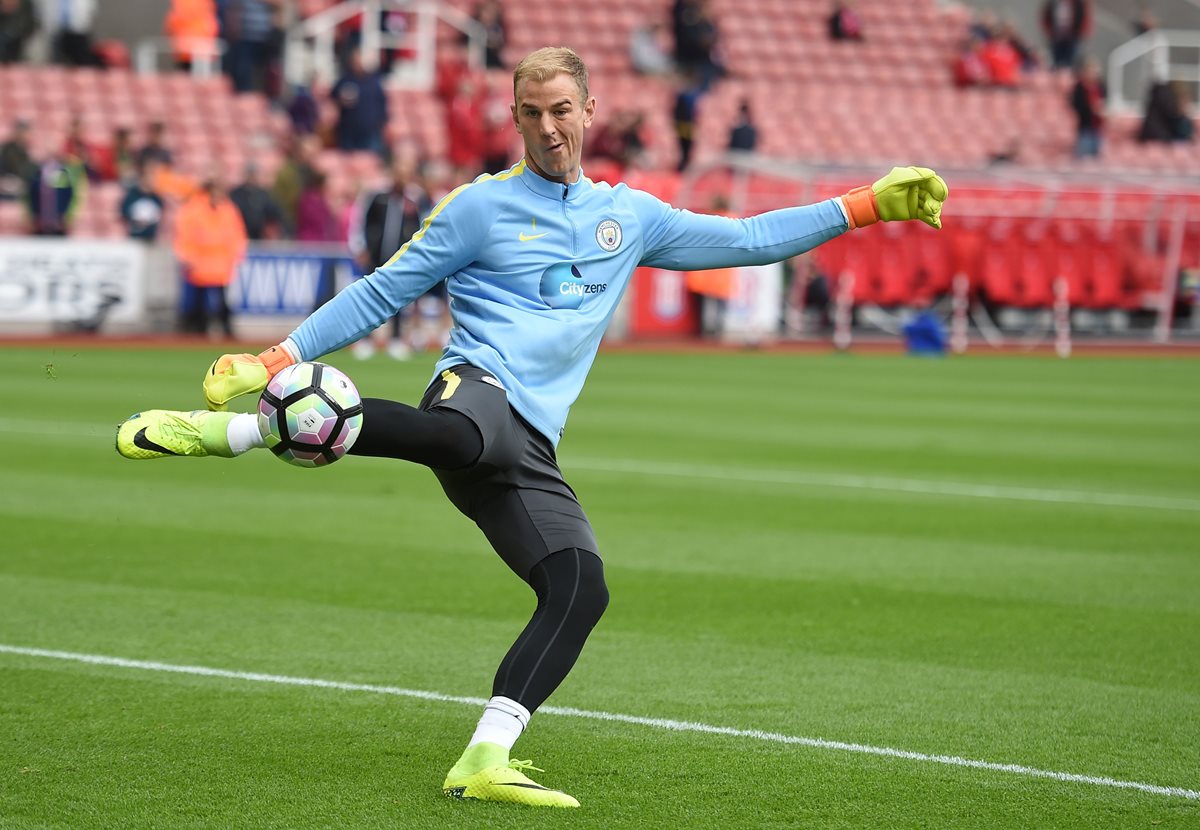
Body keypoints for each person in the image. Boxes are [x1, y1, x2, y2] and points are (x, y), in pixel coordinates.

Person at [114, 46, 947, 809]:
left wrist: (866, 204)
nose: (547, 128)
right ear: (515, 121)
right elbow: (382, 290)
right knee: (465, 436)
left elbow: (750, 238)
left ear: (589, 111)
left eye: (560, 110)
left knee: (581, 588)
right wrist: (278, 357)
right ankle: (231, 432)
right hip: (471, 391)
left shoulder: (632, 216)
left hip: (531, 444)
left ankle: (484, 757)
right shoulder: (479, 209)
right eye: (530, 113)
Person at [348, 150, 433, 360]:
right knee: (369, 296)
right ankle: (365, 339)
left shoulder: (415, 198)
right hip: (375, 255)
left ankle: (396, 338)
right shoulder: (377, 195)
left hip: (401, 257)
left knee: (399, 300)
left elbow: (425, 225)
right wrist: (360, 246)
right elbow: (361, 221)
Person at [173, 176, 248, 336]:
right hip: (200, 264)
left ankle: (219, 329)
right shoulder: (194, 210)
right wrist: (187, 257)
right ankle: (196, 330)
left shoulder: (227, 209)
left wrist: (236, 255)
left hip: (219, 264)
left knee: (221, 302)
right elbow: (185, 236)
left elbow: (236, 235)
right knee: (197, 303)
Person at [332, 48, 389, 155]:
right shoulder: (345, 80)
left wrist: (380, 122)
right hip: (349, 130)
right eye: (355, 61)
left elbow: (382, 104)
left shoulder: (374, 81)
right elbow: (334, 97)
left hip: (370, 131)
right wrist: (341, 99)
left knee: (371, 161)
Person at [229, 161, 284, 240]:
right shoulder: (236, 194)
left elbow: (276, 214)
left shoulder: (264, 195)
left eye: (254, 174)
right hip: (240, 235)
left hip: (260, 238)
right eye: (250, 174)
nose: (252, 177)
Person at [119, 162, 165, 241]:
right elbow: (124, 213)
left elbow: (159, 215)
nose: (150, 180)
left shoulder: (157, 197)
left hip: (151, 239)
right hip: (133, 237)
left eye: (152, 177)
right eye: (147, 176)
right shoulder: (132, 195)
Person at [1070, 56, 1105, 158]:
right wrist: (1092, 109)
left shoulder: (1100, 87)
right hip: (1085, 128)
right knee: (1084, 157)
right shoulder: (1079, 88)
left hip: (1098, 128)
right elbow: (1077, 107)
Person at [1042, 0, 1091, 70]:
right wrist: (1049, 32)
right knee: (1055, 62)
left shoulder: (1079, 3)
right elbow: (1046, 16)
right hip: (1056, 37)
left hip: (1073, 38)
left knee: (1071, 63)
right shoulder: (1054, 2)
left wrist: (1083, 34)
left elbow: (1085, 18)